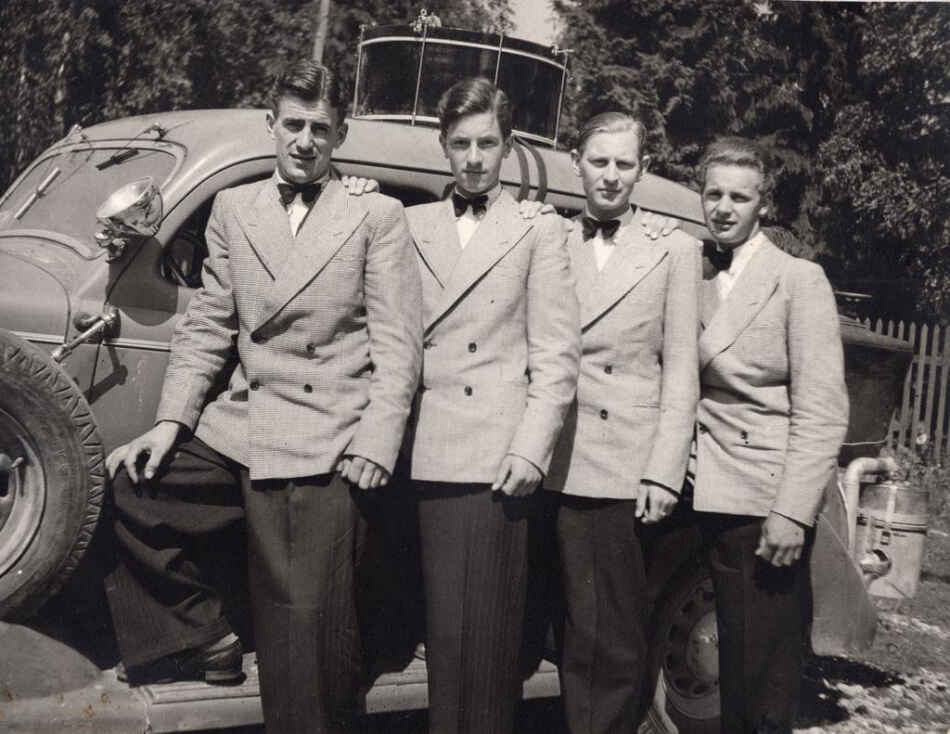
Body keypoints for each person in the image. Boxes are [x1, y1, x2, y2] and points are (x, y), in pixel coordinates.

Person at [103, 58, 423, 734]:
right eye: (294, 125)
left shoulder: (375, 215)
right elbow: (208, 328)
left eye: (320, 129)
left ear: (340, 135)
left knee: (303, 635)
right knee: (133, 486)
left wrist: (376, 440)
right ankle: (205, 637)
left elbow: (399, 347)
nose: (305, 141)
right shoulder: (232, 207)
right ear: (271, 125)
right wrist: (169, 424)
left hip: (327, 434)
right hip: (241, 426)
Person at [402, 76, 581, 734]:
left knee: (485, 645)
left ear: (507, 147)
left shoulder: (538, 230)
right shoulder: (409, 224)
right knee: (437, 641)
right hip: (421, 453)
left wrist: (531, 451)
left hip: (495, 462)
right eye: (461, 144)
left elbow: (557, 357)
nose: (474, 158)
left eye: (486, 143)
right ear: (443, 147)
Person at [543, 111, 700, 734]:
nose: (610, 176)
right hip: (544, 458)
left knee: (609, 636)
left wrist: (664, 470)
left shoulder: (673, 250)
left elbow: (681, 370)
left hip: (619, 465)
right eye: (598, 161)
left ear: (643, 170)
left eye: (624, 164)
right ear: (575, 163)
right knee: (554, 626)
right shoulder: (545, 235)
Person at [693, 137, 849, 733]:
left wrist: (791, 513)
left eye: (740, 197)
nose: (724, 208)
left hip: (761, 502)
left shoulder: (797, 280)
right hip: (696, 488)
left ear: (763, 204)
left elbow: (822, 411)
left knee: (759, 676)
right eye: (713, 194)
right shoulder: (693, 272)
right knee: (720, 666)